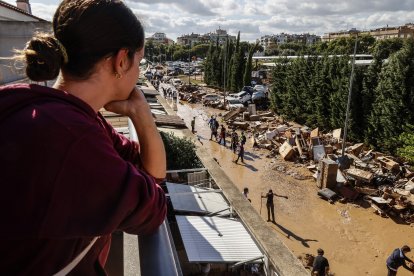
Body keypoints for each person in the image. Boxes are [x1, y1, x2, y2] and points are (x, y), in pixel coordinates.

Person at [0, 1, 167, 275]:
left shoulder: (57, 113)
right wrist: (143, 115)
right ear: (121, 60)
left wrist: (141, 114)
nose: (139, 73)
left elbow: (143, 165)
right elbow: (153, 209)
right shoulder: (71, 137)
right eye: (140, 61)